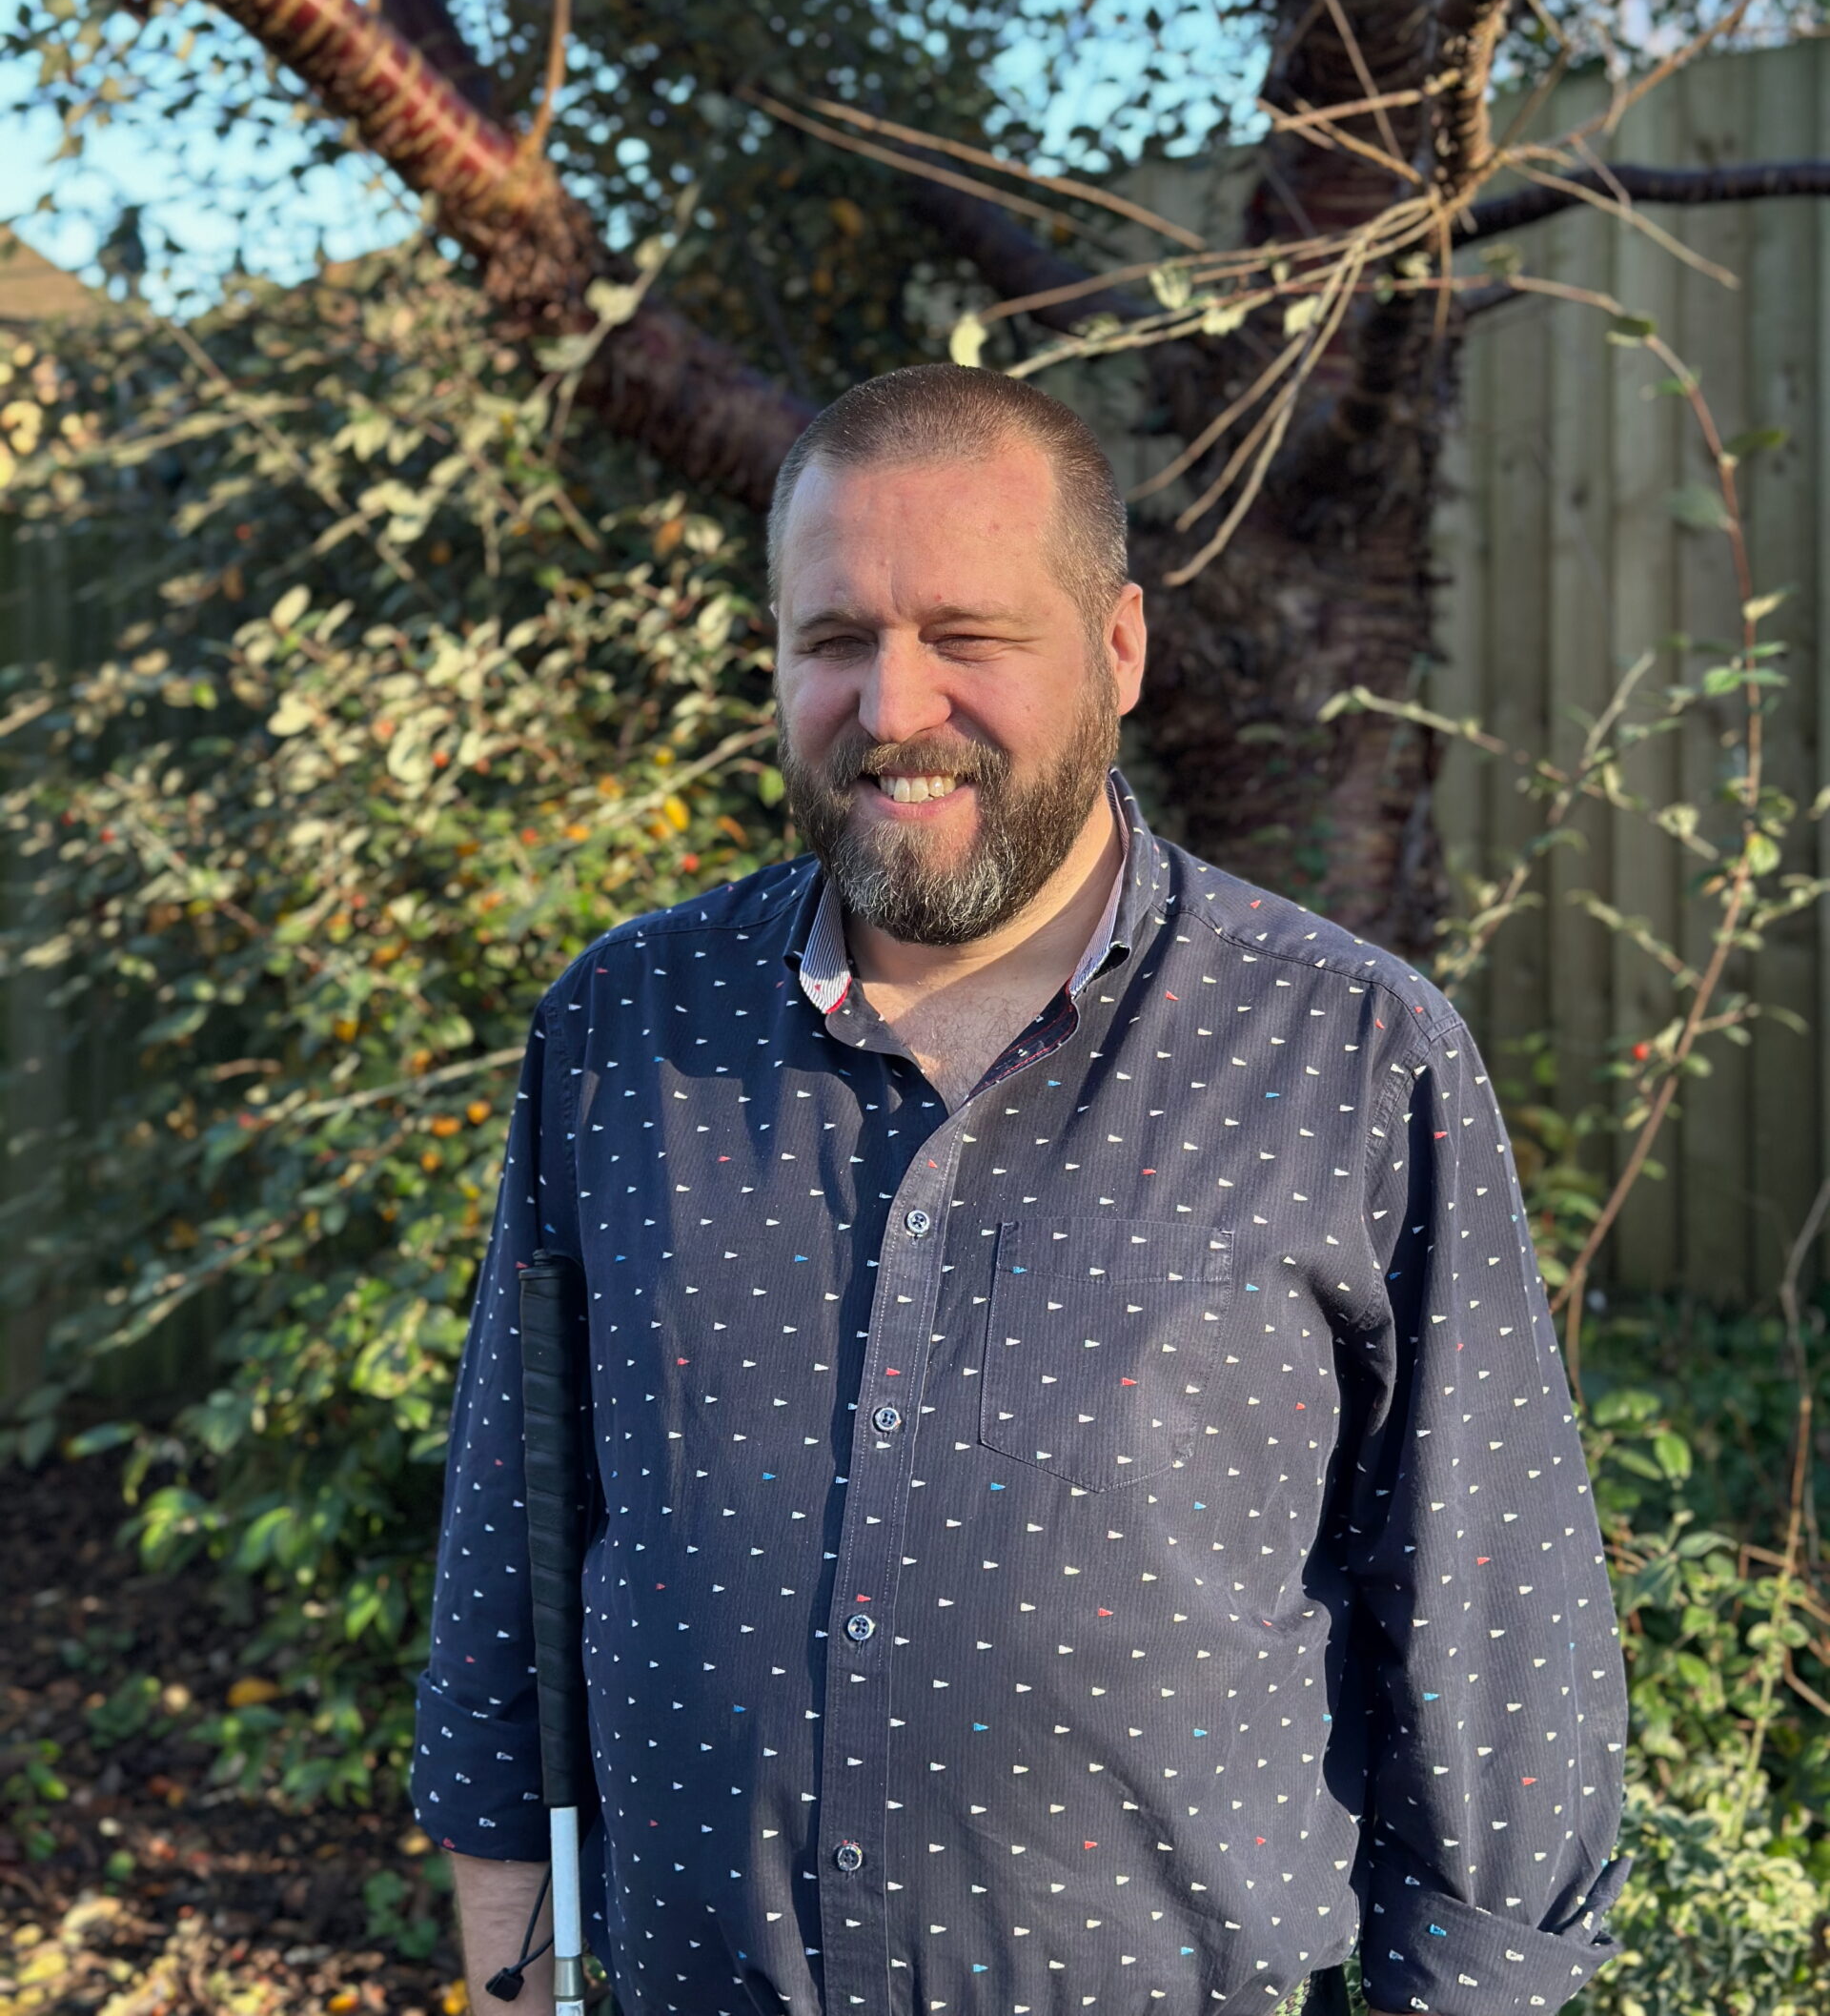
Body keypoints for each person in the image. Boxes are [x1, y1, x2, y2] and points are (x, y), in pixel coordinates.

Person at [412, 364, 1628, 2016]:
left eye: (968, 639)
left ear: (1116, 648)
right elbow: (512, 1555)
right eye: (836, 640)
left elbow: (1503, 1647)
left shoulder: (1352, 1055)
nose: (894, 708)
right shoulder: (626, 1033)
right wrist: (512, 1981)